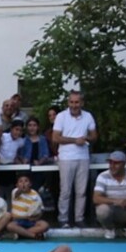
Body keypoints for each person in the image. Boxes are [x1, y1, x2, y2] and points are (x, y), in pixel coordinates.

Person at [51, 90, 98, 228]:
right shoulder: (61, 116)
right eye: (71, 102)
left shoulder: (88, 116)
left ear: (82, 103)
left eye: (77, 102)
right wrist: (74, 140)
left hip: (83, 157)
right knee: (65, 191)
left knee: (81, 191)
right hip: (66, 157)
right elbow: (55, 137)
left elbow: (94, 136)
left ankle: (79, 218)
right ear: (68, 102)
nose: (74, 105)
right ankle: (63, 219)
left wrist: (85, 138)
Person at [6, 173, 49, 240]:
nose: (23, 183)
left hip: (31, 220)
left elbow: (41, 209)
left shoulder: (35, 194)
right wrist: (21, 188)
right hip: (18, 220)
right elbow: (17, 193)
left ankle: (21, 234)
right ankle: (33, 236)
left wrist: (36, 217)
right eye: (20, 181)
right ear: (17, 185)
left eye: (26, 181)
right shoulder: (15, 192)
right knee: (10, 226)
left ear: (30, 184)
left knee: (45, 225)